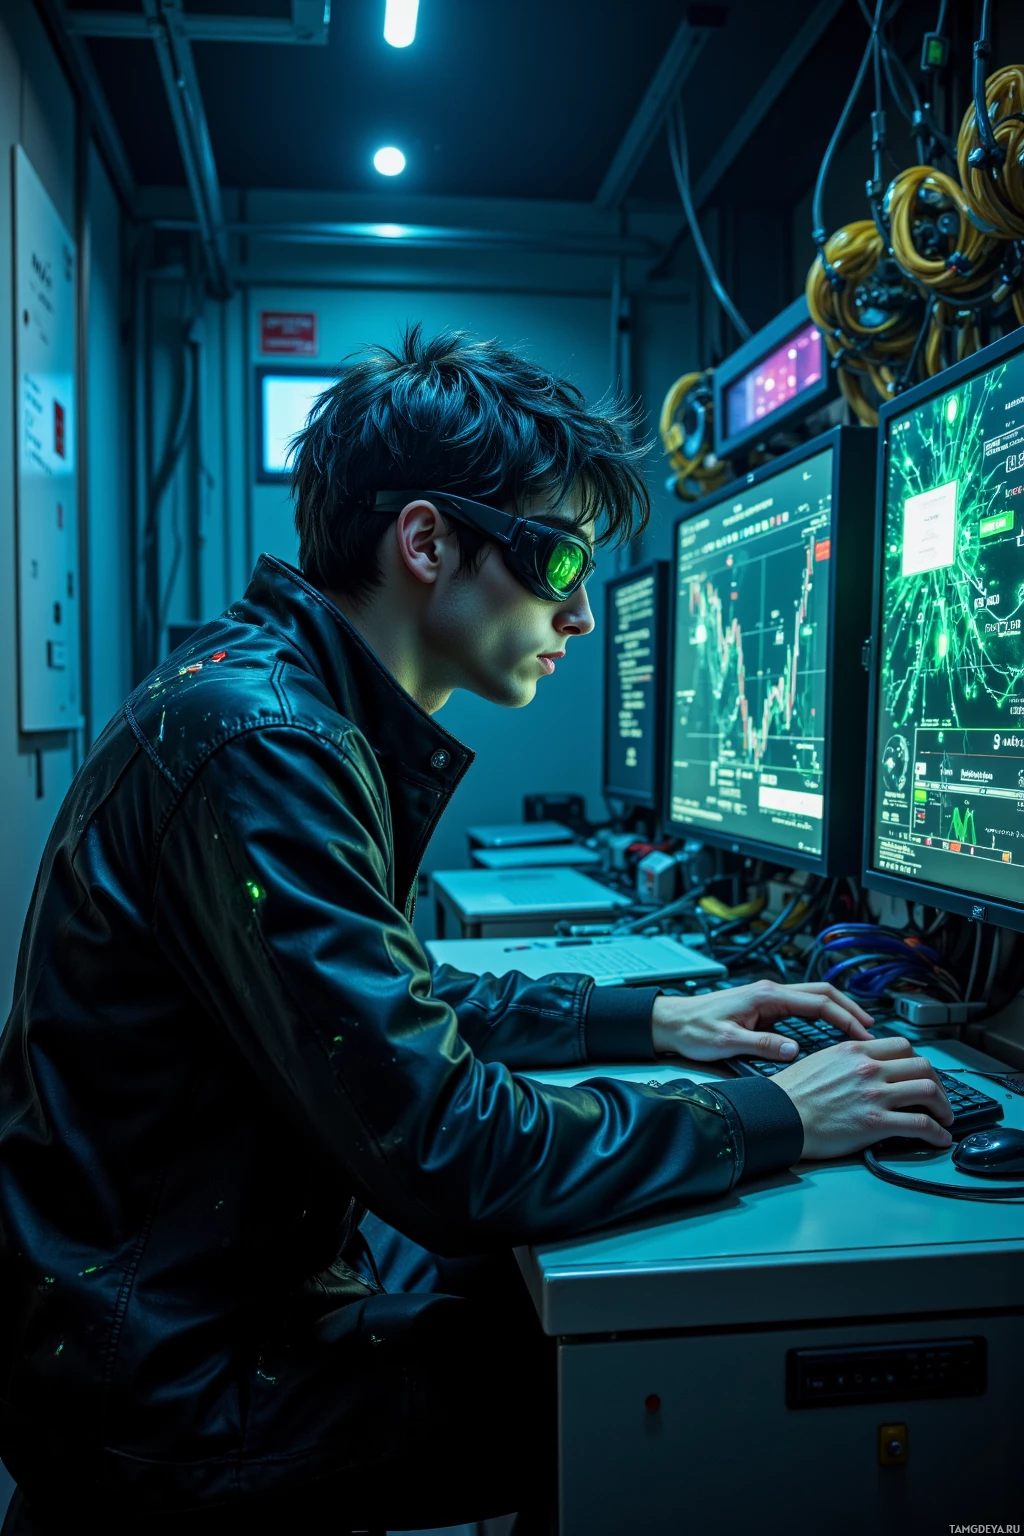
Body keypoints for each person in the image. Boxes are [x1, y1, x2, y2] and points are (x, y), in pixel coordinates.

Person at [0, 327, 953, 1533]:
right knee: (603, 1374)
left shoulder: (277, 705)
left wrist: (652, 1015)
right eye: (559, 562)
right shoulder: (268, 747)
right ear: (426, 540)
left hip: (171, 1326)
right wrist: (776, 1115)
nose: (583, 617)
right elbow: (445, 1148)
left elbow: (386, 1007)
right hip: (170, 1399)